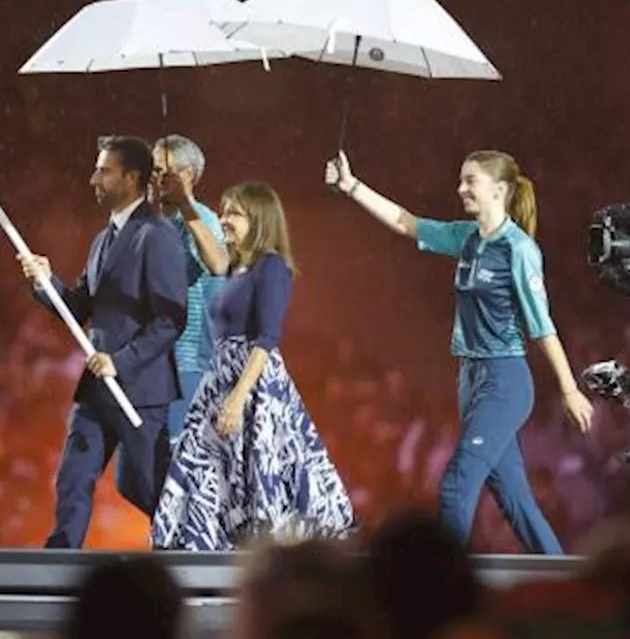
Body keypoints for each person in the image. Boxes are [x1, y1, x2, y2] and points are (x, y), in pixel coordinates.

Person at [325, 149, 593, 554]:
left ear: (499, 190)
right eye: (461, 179)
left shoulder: (518, 250)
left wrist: (570, 389)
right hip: (470, 379)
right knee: (515, 500)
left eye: (471, 181)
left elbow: (542, 327)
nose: (460, 188)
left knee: (455, 485)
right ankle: (567, 585)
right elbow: (406, 223)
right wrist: (352, 187)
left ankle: (439, 590)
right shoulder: (467, 238)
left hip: (505, 381)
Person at [150, 181, 356, 550]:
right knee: (201, 460)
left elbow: (267, 338)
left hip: (253, 381)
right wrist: (185, 204)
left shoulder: (272, 267)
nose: (224, 219)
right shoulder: (235, 269)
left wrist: (237, 398)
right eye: (224, 211)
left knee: (257, 467)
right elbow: (215, 261)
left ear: (258, 220)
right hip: (220, 376)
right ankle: (200, 544)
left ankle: (265, 554)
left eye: (234, 214)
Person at [18, 135, 189, 549]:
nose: (94, 178)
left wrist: (123, 360)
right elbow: (78, 306)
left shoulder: (158, 235)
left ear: (132, 178)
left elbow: (171, 319)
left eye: (104, 170)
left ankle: (188, 549)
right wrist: (46, 282)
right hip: (97, 388)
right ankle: (60, 557)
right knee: (73, 475)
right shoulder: (102, 240)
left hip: (141, 390)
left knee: (145, 485)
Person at [150, 135, 227, 446]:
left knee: (181, 466)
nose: (152, 178)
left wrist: (184, 203)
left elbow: (219, 265)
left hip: (191, 365)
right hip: (160, 365)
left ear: (186, 177)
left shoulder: (201, 218)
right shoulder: (158, 224)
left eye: (159, 170)